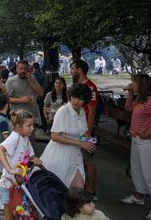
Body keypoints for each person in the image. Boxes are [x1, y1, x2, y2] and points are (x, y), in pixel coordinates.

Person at [40, 83, 96, 188]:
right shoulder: (63, 111)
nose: (76, 101)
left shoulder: (82, 110)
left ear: (85, 100)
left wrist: (86, 140)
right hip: (59, 155)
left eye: (80, 99)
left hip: (75, 155)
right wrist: (80, 142)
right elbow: (55, 136)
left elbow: (82, 134)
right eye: (74, 97)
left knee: (78, 187)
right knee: (58, 187)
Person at [120, 74, 151, 220]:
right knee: (137, 169)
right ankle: (139, 195)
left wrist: (147, 133)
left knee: (150, 173)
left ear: (141, 84)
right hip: (137, 139)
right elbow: (128, 108)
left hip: (148, 141)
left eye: (133, 83)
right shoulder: (139, 99)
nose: (131, 85)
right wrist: (130, 94)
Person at [0, 109, 42, 220]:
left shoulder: (25, 139)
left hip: (20, 184)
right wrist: (10, 169)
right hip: (8, 185)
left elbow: (31, 156)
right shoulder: (15, 137)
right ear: (18, 127)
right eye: (29, 125)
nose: (32, 128)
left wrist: (37, 160)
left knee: (19, 213)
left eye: (32, 125)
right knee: (9, 215)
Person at [71, 59, 99, 199]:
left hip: (84, 131)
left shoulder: (90, 87)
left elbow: (92, 110)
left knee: (87, 160)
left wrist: (88, 131)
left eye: (73, 68)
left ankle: (91, 191)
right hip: (76, 129)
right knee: (78, 158)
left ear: (79, 69)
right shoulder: (78, 85)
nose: (71, 71)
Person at [6, 60, 44, 129]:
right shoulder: (11, 81)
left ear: (28, 69)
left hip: (32, 115)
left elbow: (41, 93)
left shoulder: (32, 77)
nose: (23, 71)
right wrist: (22, 100)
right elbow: (6, 99)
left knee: (31, 137)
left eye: (25, 68)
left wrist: (30, 81)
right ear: (17, 69)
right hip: (17, 117)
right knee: (18, 138)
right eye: (21, 69)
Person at [0, 94, 12, 210]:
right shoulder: (3, 121)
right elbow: (6, 137)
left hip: (1, 153)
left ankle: (0, 197)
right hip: (3, 154)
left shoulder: (0, 117)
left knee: (0, 174)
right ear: (6, 105)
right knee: (0, 175)